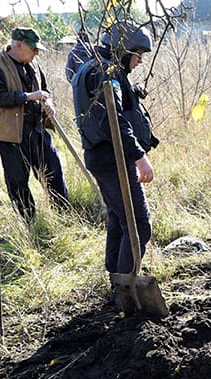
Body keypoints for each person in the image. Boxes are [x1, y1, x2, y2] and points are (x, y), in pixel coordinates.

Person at [71, 21, 159, 282]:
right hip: (113, 159)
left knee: (120, 220)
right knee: (138, 225)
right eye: (138, 55)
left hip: (103, 157)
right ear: (125, 50)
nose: (140, 61)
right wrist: (139, 157)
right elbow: (114, 120)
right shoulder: (106, 73)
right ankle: (127, 289)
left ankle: (116, 280)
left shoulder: (94, 66)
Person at [0, 27, 69, 222]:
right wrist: (28, 97)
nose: (37, 53)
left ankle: (65, 217)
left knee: (54, 171)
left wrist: (49, 103)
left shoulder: (33, 63)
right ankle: (29, 225)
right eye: (33, 49)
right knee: (18, 182)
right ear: (18, 45)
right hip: (10, 135)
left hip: (37, 131)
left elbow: (44, 90)